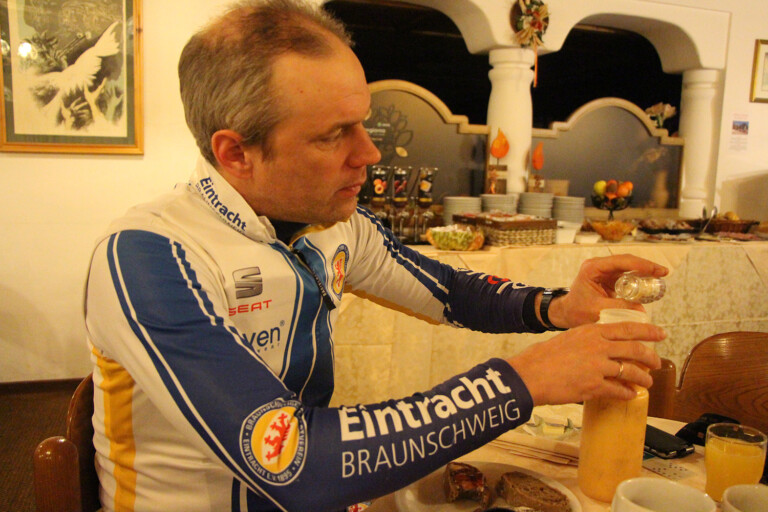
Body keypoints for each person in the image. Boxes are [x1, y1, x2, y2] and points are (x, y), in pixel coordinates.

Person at [83, 1, 667, 511]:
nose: (369, 153)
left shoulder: (335, 224)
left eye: (362, 123)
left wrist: (558, 307)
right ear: (236, 153)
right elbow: (292, 462)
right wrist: (525, 380)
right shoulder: (149, 255)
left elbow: (449, 291)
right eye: (332, 134)